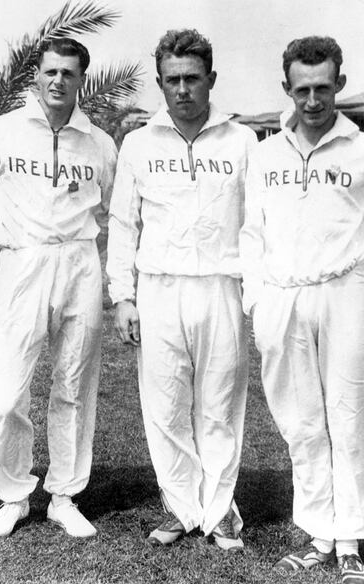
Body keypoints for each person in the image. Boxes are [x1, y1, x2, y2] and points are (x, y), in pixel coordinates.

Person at [240, 36, 364, 584]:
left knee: (348, 414)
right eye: (302, 89)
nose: (313, 100)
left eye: (323, 88)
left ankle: (351, 537)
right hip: (283, 298)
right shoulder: (263, 155)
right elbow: (251, 234)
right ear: (286, 88)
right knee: (301, 420)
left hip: (344, 295)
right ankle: (317, 533)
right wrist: (258, 301)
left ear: (341, 84)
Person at [106, 29, 256, 550]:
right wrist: (122, 296)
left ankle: (219, 511)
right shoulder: (139, 143)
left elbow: (256, 225)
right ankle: (180, 505)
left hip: (221, 287)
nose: (183, 89)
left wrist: (254, 292)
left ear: (211, 79)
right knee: (166, 406)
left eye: (193, 78)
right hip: (159, 289)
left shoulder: (241, 141)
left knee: (218, 406)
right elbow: (124, 225)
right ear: (160, 83)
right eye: (173, 80)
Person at [0, 38, 117, 539]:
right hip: (21, 265)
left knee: (73, 383)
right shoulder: (0, 132)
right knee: (8, 393)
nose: (58, 81)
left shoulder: (98, 142)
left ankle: (65, 496)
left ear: (80, 80)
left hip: (79, 264)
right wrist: (5, 242)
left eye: (69, 74)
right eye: (50, 72)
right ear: (35, 77)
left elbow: (111, 208)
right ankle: (13, 495)